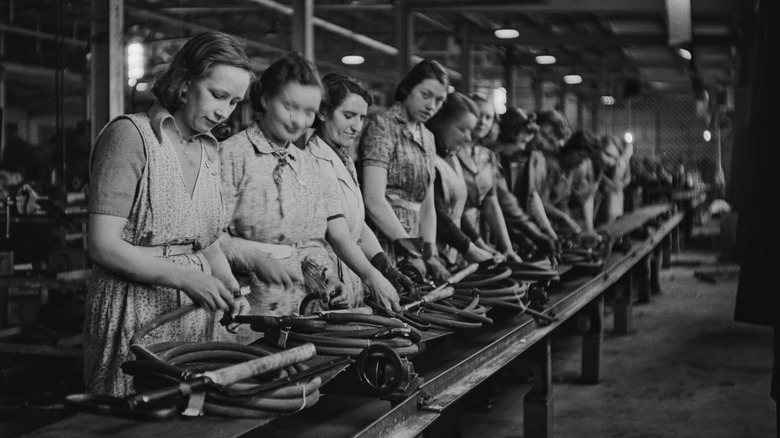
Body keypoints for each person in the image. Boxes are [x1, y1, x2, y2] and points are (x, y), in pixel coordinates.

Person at [84, 31, 253, 397]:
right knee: (133, 409)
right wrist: (187, 279)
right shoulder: (130, 136)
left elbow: (205, 243)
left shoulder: (210, 150)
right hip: (134, 311)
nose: (224, 111)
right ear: (184, 82)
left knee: (187, 415)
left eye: (235, 102)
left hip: (193, 319)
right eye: (218, 95)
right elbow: (102, 245)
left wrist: (231, 289)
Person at [220, 53, 389, 337]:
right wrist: (252, 256)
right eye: (289, 107)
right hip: (245, 315)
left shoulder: (308, 165)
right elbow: (207, 239)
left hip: (300, 316)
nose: (298, 121)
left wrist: (327, 278)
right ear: (264, 100)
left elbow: (310, 244)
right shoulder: (231, 155)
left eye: (308, 112)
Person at [303, 73, 409, 309]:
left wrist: (385, 267)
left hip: (350, 277)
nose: (357, 127)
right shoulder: (313, 158)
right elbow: (336, 232)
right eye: (348, 116)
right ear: (322, 112)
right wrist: (373, 277)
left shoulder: (343, 157)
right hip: (325, 281)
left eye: (361, 118)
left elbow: (357, 223)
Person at [358, 60, 450, 282]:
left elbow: (427, 205)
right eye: (425, 95)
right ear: (408, 88)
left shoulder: (428, 137)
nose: (431, 106)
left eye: (439, 101)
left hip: (416, 245)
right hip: (383, 242)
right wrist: (409, 248)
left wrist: (431, 253)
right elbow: (373, 200)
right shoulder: (382, 126)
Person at [467, 94, 555, 259]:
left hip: (482, 238)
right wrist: (535, 235)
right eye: (521, 142)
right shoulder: (486, 157)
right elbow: (507, 205)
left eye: (489, 117)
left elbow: (501, 203)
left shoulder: (489, 158)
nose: (521, 149)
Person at [423, 92, 497, 265]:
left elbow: (457, 211)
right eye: (462, 129)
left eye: (470, 131)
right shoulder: (429, 160)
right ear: (440, 121)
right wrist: (469, 248)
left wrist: (478, 242)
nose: (468, 138)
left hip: (451, 256)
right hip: (432, 256)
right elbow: (438, 215)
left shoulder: (452, 156)